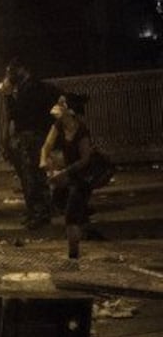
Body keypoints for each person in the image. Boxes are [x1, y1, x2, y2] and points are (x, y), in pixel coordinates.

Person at [39, 94, 106, 259]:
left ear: (70, 111)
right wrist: (43, 160)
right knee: (57, 199)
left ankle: (73, 255)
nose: (57, 107)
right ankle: (83, 220)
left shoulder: (81, 130)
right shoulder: (59, 125)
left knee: (70, 216)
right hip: (69, 174)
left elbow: (85, 160)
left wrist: (64, 173)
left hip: (82, 176)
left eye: (62, 104)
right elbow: (46, 145)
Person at [0, 58, 60, 227]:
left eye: (11, 71)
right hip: (30, 137)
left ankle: (40, 213)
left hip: (32, 137)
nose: (9, 76)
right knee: (28, 177)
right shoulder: (27, 87)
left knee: (33, 176)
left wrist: (8, 96)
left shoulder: (32, 88)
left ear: (22, 69)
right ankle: (34, 211)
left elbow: (17, 114)